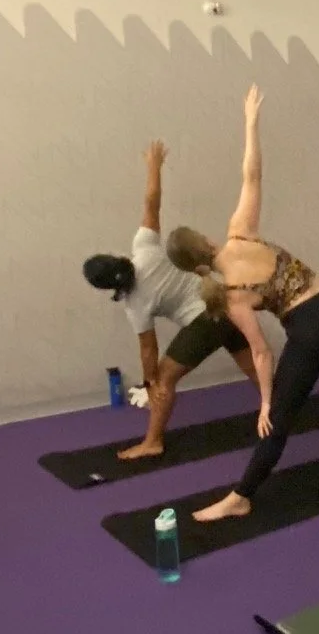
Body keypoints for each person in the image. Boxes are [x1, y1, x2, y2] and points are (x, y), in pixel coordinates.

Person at [165, 85, 319, 521]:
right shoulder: (240, 232)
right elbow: (252, 176)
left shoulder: (231, 293)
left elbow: (261, 352)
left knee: (279, 418)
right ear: (205, 240)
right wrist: (251, 123)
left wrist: (265, 401)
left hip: (312, 327)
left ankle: (241, 496)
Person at [82, 140, 258, 461]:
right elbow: (152, 203)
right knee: (254, 368)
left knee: (165, 378)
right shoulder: (144, 246)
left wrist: (151, 382)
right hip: (226, 302)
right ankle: (286, 409)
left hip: (206, 319)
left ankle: (153, 441)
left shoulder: (135, 304)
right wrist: (154, 166)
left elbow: (148, 350)